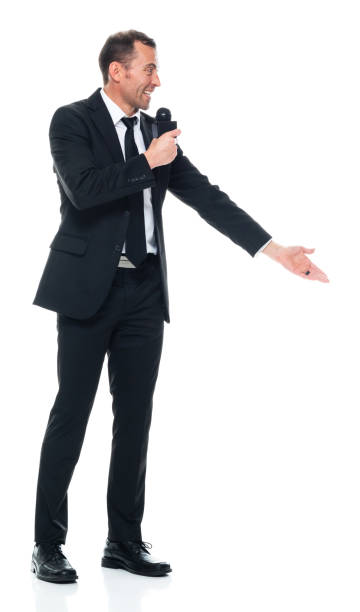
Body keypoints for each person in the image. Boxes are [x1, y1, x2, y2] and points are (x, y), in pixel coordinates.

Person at [31, 29, 329, 584]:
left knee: (136, 417)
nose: (157, 79)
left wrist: (274, 250)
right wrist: (148, 160)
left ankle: (123, 541)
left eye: (156, 69)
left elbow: (206, 196)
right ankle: (47, 544)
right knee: (71, 414)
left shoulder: (155, 132)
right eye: (148, 69)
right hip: (85, 291)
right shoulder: (70, 120)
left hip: (143, 292)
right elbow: (84, 189)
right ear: (117, 72)